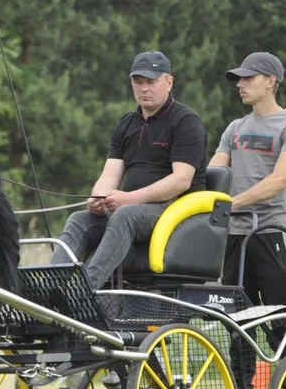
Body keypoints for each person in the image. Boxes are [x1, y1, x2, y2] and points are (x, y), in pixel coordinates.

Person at [50, 50, 208, 288]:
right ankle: (49, 290)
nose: (144, 88)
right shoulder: (126, 124)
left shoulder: (185, 122)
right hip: (133, 212)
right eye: (138, 81)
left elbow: (181, 181)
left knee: (124, 215)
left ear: (169, 82)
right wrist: (98, 197)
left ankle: (85, 292)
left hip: (176, 213)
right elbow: (109, 175)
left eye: (151, 82)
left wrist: (128, 199)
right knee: (79, 219)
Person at [208, 53, 286, 389]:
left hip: (272, 235)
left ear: (270, 81)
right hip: (234, 240)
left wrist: (230, 204)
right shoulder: (234, 129)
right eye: (238, 79)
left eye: (248, 78)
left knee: (285, 318)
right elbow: (212, 177)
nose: (240, 84)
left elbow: (278, 182)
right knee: (237, 321)